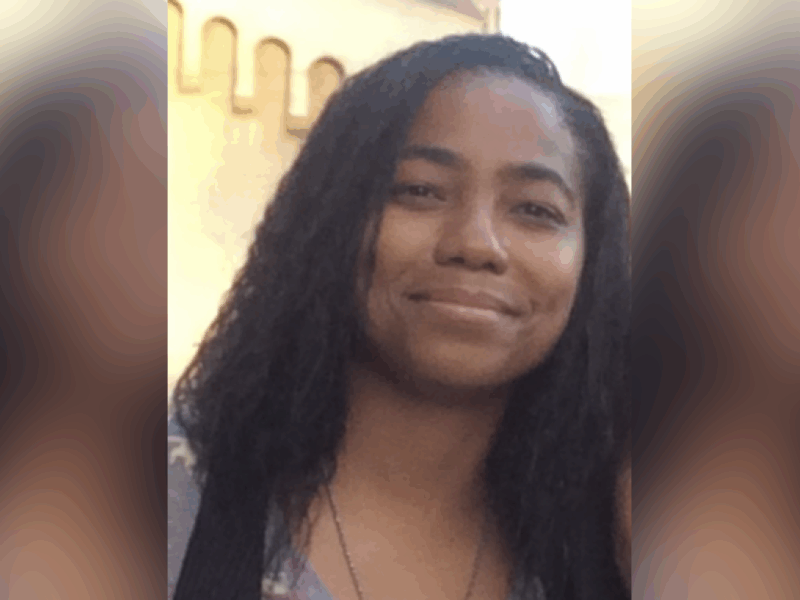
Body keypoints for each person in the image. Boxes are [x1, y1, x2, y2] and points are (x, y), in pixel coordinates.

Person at [169, 33, 630, 600]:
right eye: (420, 191)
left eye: (535, 209)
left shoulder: (608, 545)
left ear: (592, 262)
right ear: (331, 218)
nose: (476, 244)